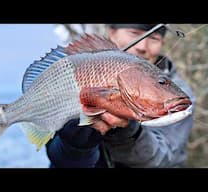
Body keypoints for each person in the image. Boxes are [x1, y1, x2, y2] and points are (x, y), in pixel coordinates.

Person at [45, 24, 196, 168]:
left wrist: (125, 130)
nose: (142, 46)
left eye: (154, 38)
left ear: (163, 42)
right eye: (134, 33)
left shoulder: (178, 96)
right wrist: (76, 141)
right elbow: (58, 158)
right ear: (112, 32)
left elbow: (164, 160)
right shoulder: (73, 75)